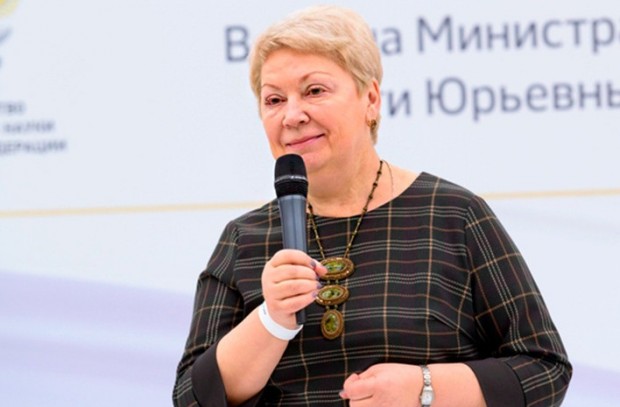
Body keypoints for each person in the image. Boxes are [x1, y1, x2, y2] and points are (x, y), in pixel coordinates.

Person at [173, 5, 572, 407]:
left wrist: (425, 388)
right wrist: (270, 320)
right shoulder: (243, 240)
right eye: (274, 99)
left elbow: (545, 368)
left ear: (371, 99)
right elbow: (190, 398)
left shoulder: (453, 215)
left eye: (314, 91)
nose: (292, 116)